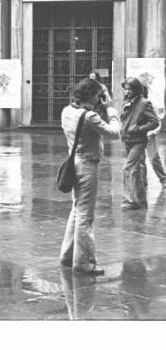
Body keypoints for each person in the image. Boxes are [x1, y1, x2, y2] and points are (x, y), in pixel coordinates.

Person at [60, 78, 120, 276]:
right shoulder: (89, 116)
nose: (99, 98)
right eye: (97, 95)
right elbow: (114, 133)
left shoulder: (67, 111)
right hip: (87, 165)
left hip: (74, 160)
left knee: (76, 210)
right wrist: (110, 109)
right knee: (85, 214)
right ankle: (84, 263)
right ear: (92, 95)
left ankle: (68, 256)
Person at [120, 77, 159, 210]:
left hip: (138, 141)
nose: (127, 91)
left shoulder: (144, 103)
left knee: (128, 168)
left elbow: (155, 122)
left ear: (136, 89)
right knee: (134, 170)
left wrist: (138, 128)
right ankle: (140, 200)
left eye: (130, 89)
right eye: (125, 89)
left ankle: (129, 200)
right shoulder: (127, 101)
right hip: (127, 139)